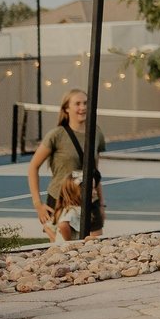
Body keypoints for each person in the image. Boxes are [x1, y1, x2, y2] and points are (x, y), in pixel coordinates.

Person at [26, 88, 106, 239]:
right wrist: (38, 205)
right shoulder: (56, 135)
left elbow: (95, 172)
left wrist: (101, 204)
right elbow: (33, 167)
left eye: (85, 103)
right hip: (61, 200)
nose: (82, 107)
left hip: (89, 199)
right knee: (63, 251)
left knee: (95, 247)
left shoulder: (96, 133)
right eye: (77, 104)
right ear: (66, 109)